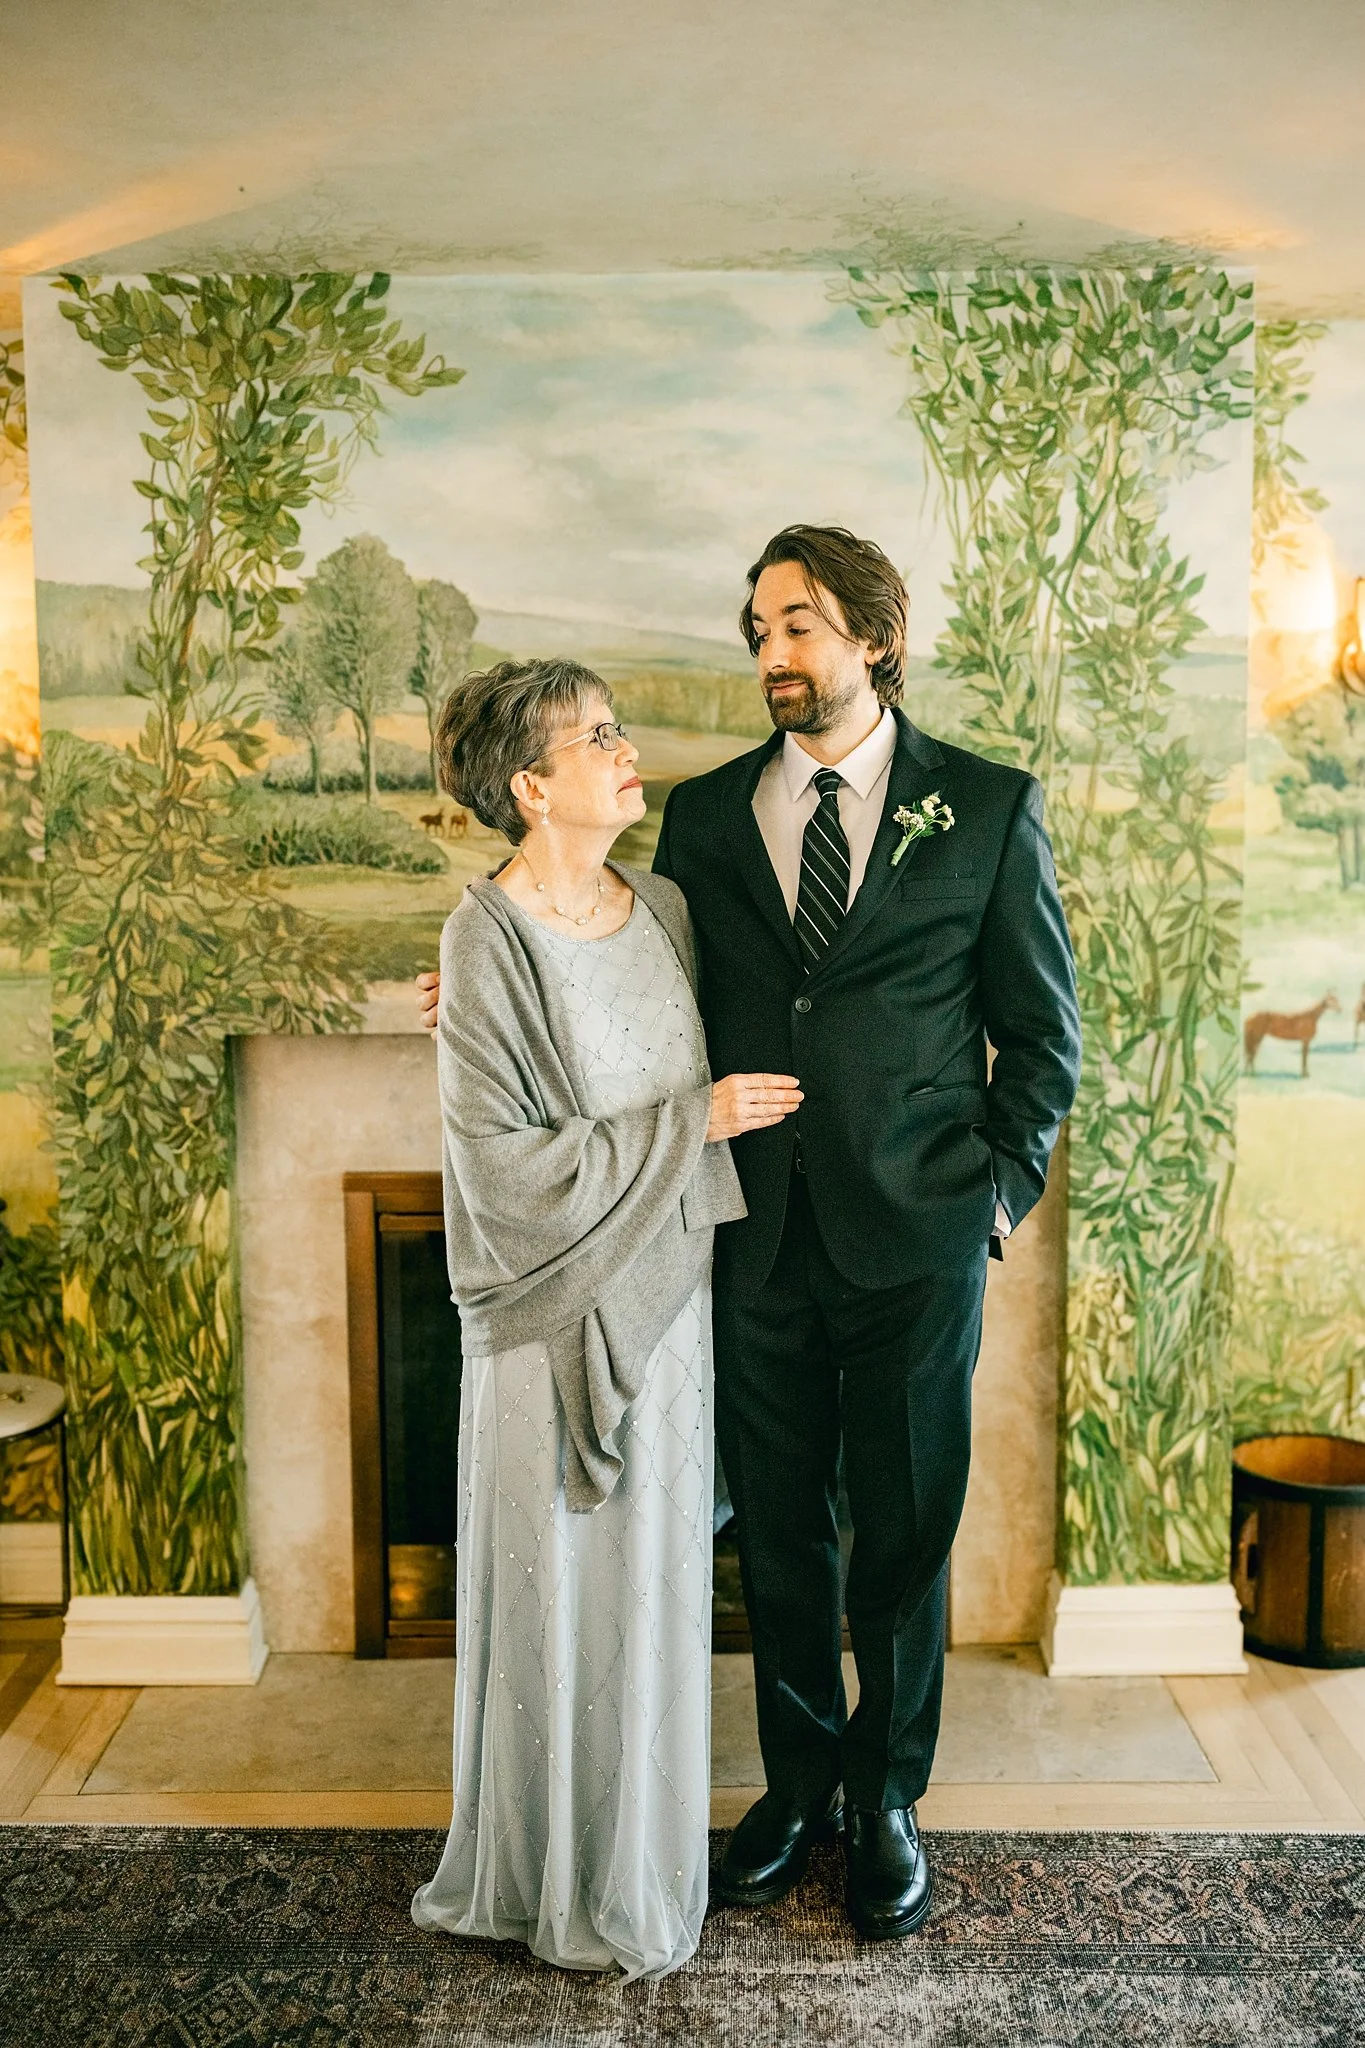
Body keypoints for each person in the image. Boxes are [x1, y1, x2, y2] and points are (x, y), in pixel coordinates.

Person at [417, 527, 1080, 1943]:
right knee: (779, 1534)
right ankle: (797, 1787)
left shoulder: (987, 808)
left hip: (918, 1244)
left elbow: (1042, 1037)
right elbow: (626, 960)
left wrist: (995, 1197)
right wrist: (475, 983)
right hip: (749, 1234)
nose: (773, 654)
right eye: (760, 629)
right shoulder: (707, 818)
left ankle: (886, 1799)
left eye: (800, 626)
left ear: (874, 639)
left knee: (903, 1534)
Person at [409, 656, 801, 1981]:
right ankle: (548, 1877)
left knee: (651, 1591)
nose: (628, 751)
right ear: (531, 786)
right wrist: (698, 1122)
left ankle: (635, 1865)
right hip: (547, 1332)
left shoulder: (668, 909)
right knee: (560, 1591)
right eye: (597, 737)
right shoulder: (483, 941)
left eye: (619, 728)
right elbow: (503, 1177)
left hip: (671, 1311)